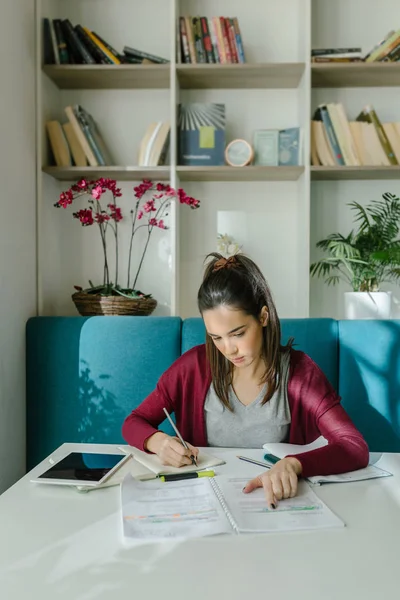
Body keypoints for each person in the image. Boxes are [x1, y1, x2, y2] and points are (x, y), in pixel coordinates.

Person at [122, 252, 369, 509]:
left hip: (278, 504)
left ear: (263, 317)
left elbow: (354, 446)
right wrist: (158, 442)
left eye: (237, 334)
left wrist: (295, 464)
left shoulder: (298, 373)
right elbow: (133, 423)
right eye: (216, 338)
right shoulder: (192, 367)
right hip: (204, 504)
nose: (228, 349)